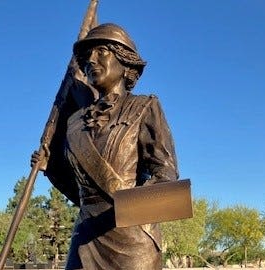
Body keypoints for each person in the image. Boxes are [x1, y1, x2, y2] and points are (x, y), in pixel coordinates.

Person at [32, 23, 179, 270]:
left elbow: (166, 177)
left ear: (125, 63)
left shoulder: (145, 107)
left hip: (132, 242)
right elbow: (80, 192)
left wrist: (130, 208)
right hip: (86, 237)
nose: (91, 59)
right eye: (87, 55)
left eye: (102, 51)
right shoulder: (74, 122)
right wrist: (51, 169)